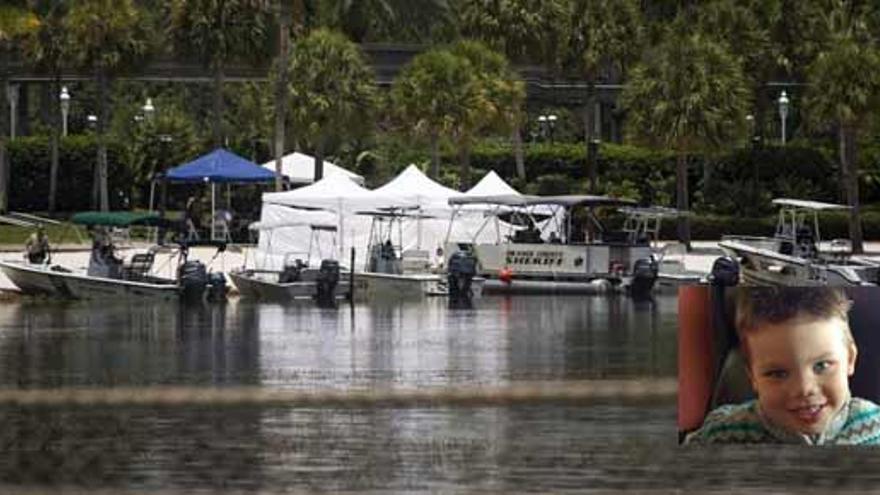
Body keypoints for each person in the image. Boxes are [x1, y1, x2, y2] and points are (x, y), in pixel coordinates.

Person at [685, 287, 880, 445]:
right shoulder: (721, 434)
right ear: (752, 376)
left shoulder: (874, 426)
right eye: (777, 373)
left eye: (822, 365)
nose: (804, 389)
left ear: (850, 359)